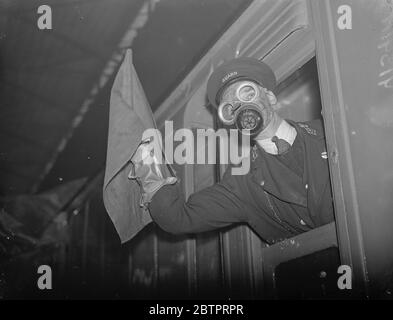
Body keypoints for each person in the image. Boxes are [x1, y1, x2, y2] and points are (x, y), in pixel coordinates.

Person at [130, 57, 335, 244]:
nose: (240, 107)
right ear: (231, 122)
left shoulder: (331, 130)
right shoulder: (241, 180)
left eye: (247, 93)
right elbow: (178, 219)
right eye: (229, 108)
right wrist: (146, 164)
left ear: (270, 97)